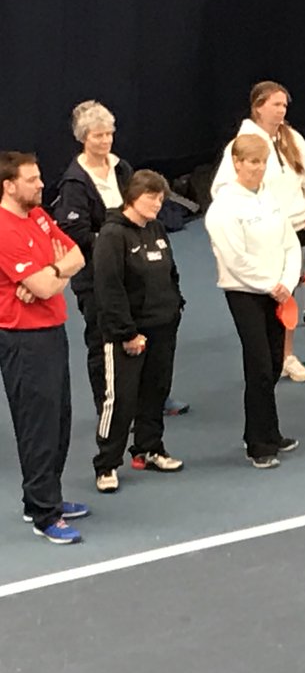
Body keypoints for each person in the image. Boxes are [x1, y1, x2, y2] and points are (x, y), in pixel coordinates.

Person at [1, 151, 91, 543]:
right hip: (22, 339)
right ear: (9, 185)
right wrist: (52, 277)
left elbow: (77, 255)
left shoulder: (38, 215)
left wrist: (54, 272)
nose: (41, 184)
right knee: (37, 426)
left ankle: (42, 495)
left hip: (52, 328)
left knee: (59, 421)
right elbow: (39, 287)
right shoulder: (3, 230)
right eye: (32, 179)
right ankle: (43, 513)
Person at [215, 81, 305, 384]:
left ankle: (287, 355)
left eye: (284, 105)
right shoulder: (241, 145)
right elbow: (224, 190)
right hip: (263, 235)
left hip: (296, 231)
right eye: (275, 104)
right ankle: (272, 358)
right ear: (258, 106)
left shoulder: (292, 138)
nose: (281, 109)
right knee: (268, 296)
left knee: (290, 292)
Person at [207, 135, 302, 469]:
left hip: (278, 290)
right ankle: (258, 443)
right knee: (259, 366)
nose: (258, 168)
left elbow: (290, 243)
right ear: (236, 163)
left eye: (262, 162)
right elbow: (234, 259)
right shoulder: (223, 207)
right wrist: (269, 285)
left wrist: (287, 282)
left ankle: (270, 432)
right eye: (251, 162)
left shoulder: (270, 197)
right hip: (245, 293)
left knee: (276, 361)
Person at [89, 170, 184, 492]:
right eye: (150, 197)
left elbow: (169, 271)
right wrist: (127, 333)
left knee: (157, 390)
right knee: (121, 400)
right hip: (128, 335)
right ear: (132, 196)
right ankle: (106, 465)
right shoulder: (113, 236)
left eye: (160, 198)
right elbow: (109, 290)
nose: (157, 204)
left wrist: (175, 306)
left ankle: (150, 448)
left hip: (163, 326)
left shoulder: (156, 228)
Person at [49, 101, 131, 417]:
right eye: (98, 135)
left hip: (129, 266)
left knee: (138, 327)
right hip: (94, 274)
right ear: (84, 138)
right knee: (102, 338)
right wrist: (112, 242)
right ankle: (106, 402)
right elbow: (74, 231)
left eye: (109, 134)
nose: (106, 141)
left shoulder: (122, 168)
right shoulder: (74, 182)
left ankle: (146, 397)